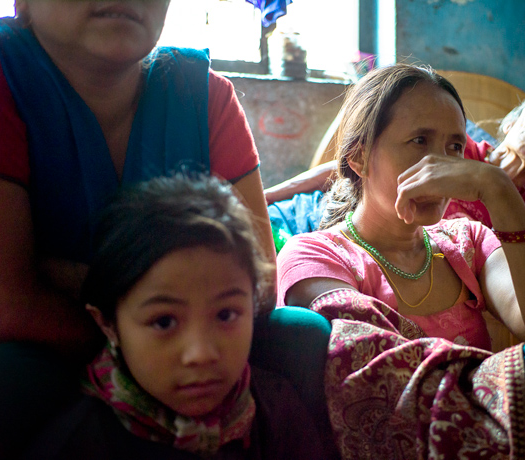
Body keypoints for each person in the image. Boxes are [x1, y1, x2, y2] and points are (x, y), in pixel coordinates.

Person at [276, 64, 525, 459]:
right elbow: (377, 376)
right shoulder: (314, 254)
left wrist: (498, 190)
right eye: (419, 140)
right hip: (418, 425)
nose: (444, 163)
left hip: (485, 398)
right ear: (360, 156)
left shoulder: (467, 239)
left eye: (454, 147)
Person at [0, 2, 308, 456]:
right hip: (48, 350)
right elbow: (8, 304)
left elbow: (260, 279)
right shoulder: (5, 82)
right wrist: (156, 325)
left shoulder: (203, 97)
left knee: (303, 337)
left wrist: (61, 275)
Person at [22, 175, 327, 459]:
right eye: (164, 322)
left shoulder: (277, 413)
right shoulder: (77, 445)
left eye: (226, 315)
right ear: (108, 325)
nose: (201, 354)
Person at [265, 74, 525, 257]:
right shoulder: (453, 146)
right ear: (512, 121)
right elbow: (353, 164)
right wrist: (264, 196)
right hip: (309, 221)